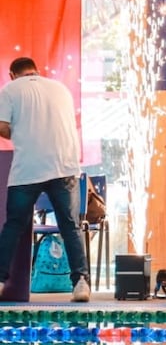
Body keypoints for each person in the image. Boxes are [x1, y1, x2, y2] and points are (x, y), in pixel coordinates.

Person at [0, 57, 91, 301]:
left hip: (28, 168)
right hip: (65, 167)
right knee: (70, 226)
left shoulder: (9, 90)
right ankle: (80, 283)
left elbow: (3, 126)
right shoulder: (61, 89)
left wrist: (16, 128)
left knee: (14, 226)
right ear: (37, 71)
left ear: (12, 74)